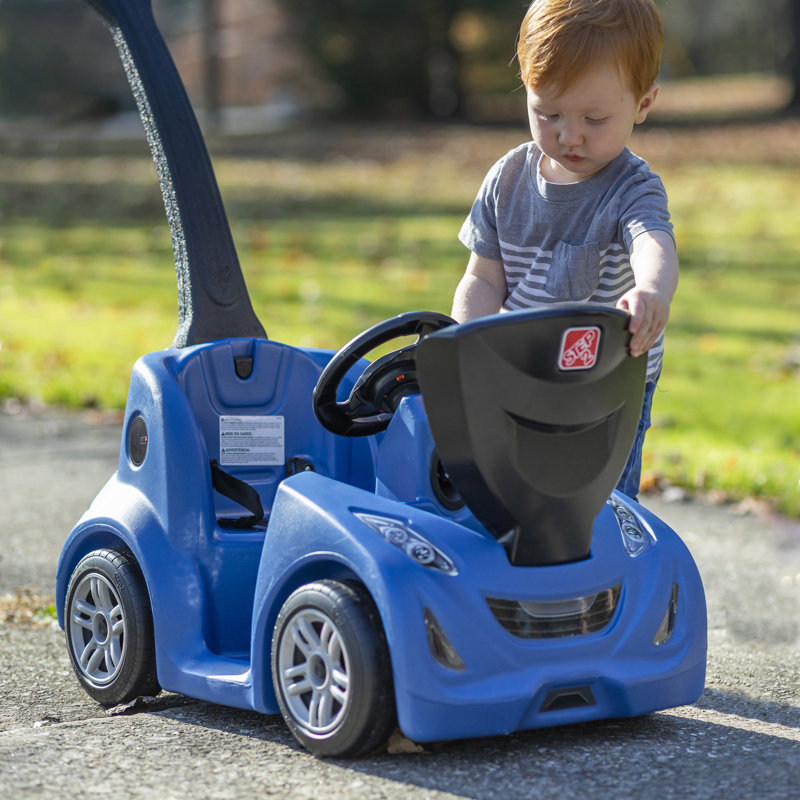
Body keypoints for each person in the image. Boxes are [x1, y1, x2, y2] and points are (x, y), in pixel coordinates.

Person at [452, 0, 677, 500]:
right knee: (519, 493)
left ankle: (603, 547)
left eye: (594, 118)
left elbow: (652, 242)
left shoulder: (632, 188)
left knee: (600, 500)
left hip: (608, 382)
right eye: (547, 112)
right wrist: (468, 341)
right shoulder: (506, 180)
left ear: (643, 103)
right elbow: (483, 277)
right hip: (521, 371)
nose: (569, 134)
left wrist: (652, 291)